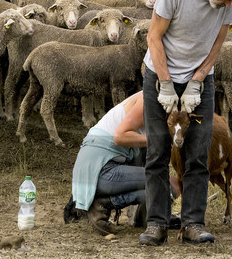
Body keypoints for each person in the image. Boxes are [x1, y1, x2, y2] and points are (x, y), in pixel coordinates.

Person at [139, 0, 232, 246]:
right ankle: (156, 223)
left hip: (199, 80)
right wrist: (164, 83)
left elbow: (218, 42)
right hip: (161, 74)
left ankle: (193, 224)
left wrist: (198, 80)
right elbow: (153, 36)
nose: (228, 6)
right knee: (158, 150)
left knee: (198, 151)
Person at [66, 91, 169, 234]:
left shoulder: (154, 97)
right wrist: (160, 140)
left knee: (163, 183)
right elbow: (119, 137)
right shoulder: (149, 98)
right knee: (165, 182)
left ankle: (143, 217)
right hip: (100, 170)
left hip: (96, 169)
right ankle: (101, 204)